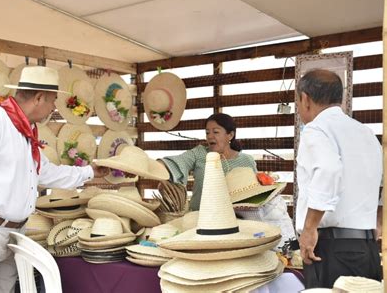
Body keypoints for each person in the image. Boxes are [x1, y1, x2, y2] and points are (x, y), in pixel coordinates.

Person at [0, 66, 109, 292]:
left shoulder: (25, 130)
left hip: (12, 234)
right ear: (39, 98)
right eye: (53, 100)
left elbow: (44, 172)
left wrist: (90, 172)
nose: (54, 107)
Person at [295, 69, 382, 288]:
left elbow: (328, 169)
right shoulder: (365, 132)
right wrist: (380, 219)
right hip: (367, 248)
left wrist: (309, 228)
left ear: (305, 99)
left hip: (330, 248)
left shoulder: (316, 130)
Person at [160, 113, 295, 245]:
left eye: (216, 132)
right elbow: (180, 161)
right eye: (207, 132)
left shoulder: (246, 160)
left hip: (234, 224)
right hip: (198, 221)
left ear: (230, 135)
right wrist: (157, 167)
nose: (210, 136)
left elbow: (254, 194)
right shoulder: (200, 153)